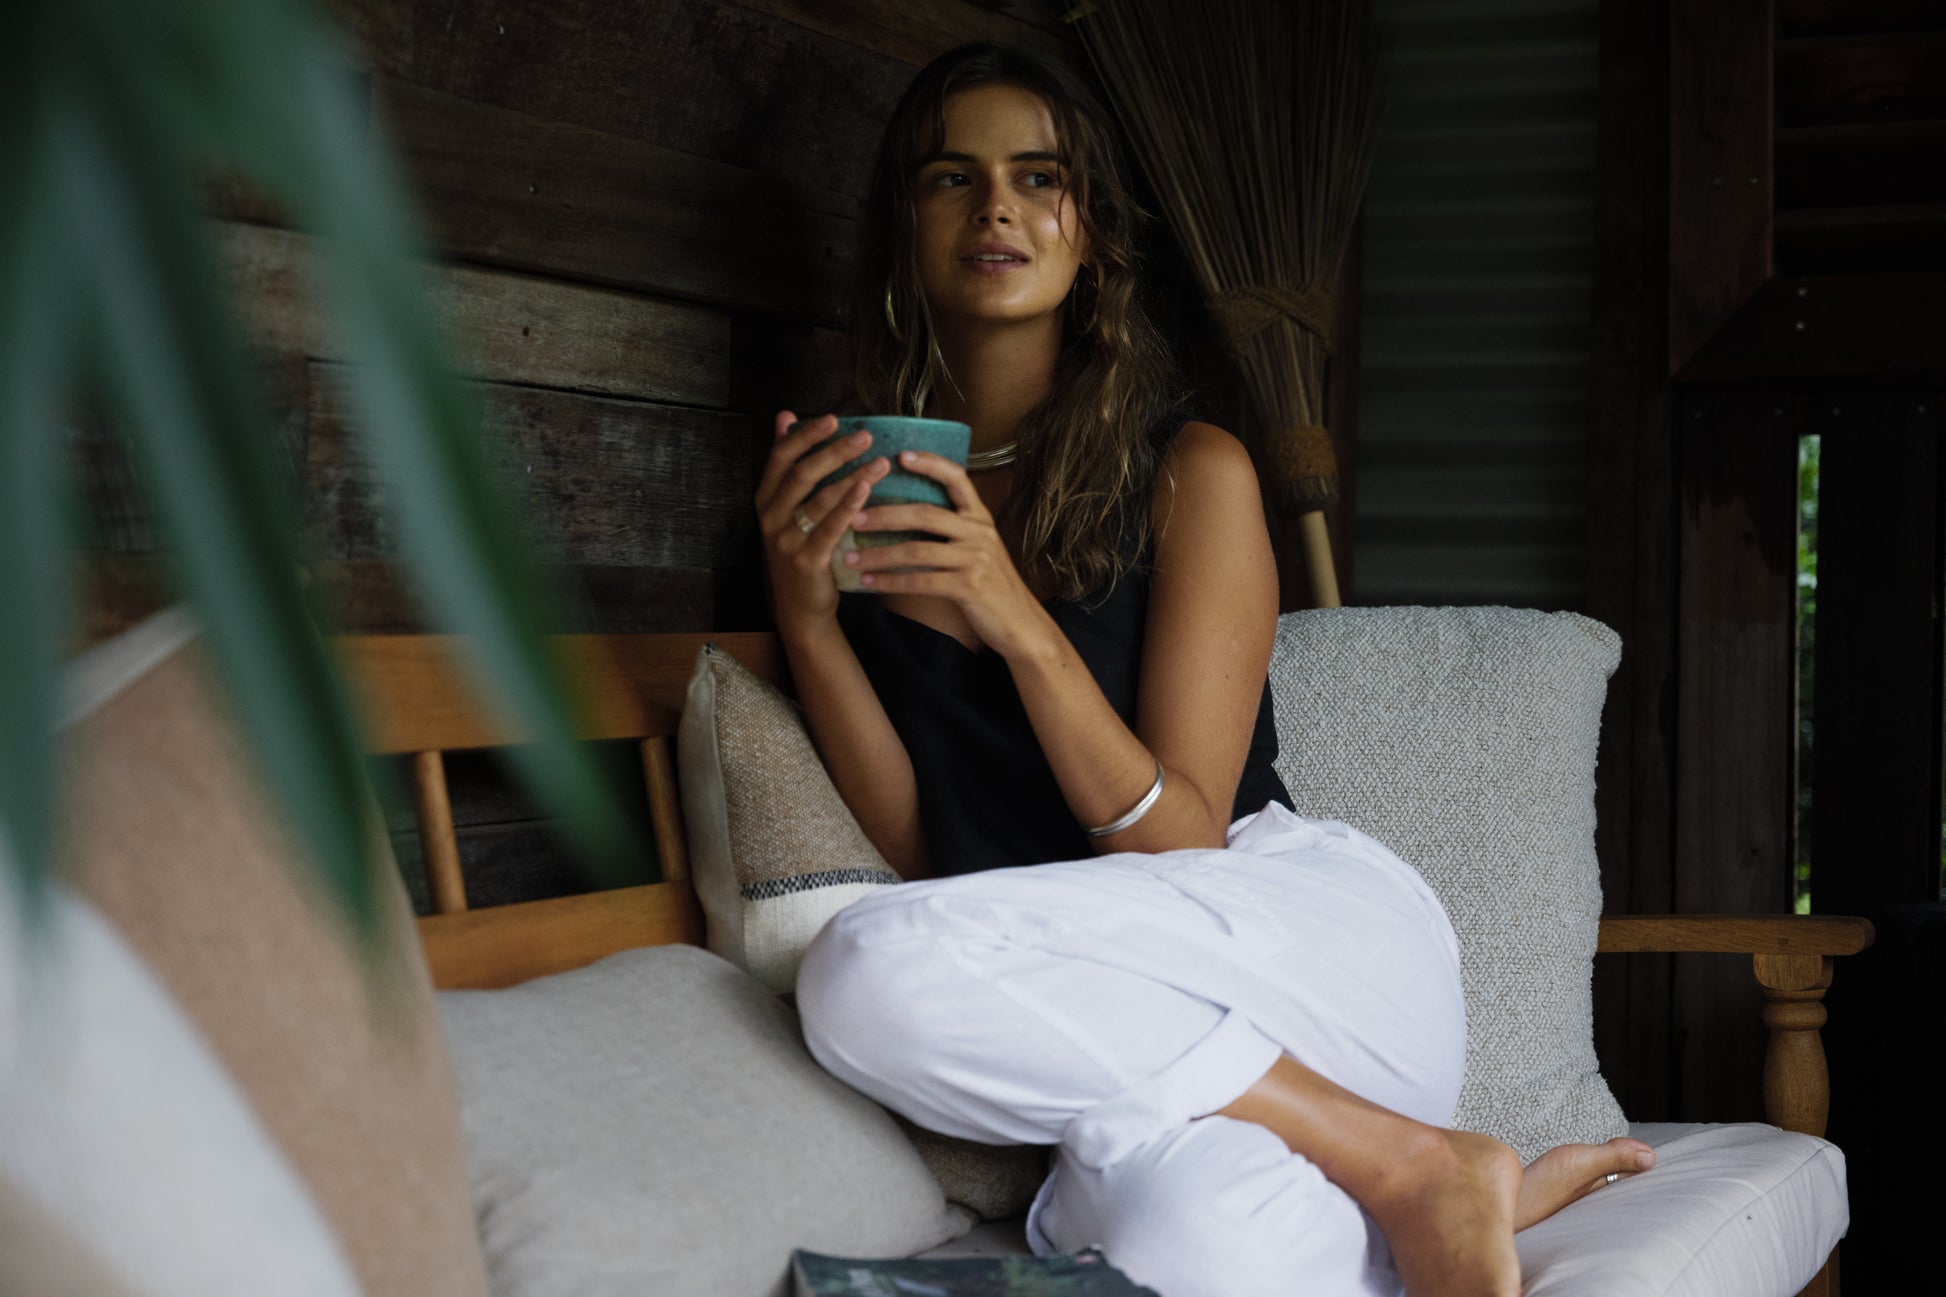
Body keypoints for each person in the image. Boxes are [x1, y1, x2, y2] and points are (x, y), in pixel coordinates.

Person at [753, 43, 1651, 1297]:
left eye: (1038, 177)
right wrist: (804, 617)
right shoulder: (873, 495)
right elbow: (924, 852)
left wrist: (1014, 620)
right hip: (1124, 1021)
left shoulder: (1192, 470)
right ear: (904, 225)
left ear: (1089, 233)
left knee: (860, 973)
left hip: (1296, 948)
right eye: (951, 177)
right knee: (1185, 1247)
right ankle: (1455, 1187)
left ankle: (1405, 1157)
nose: (996, 207)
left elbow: (1178, 840)